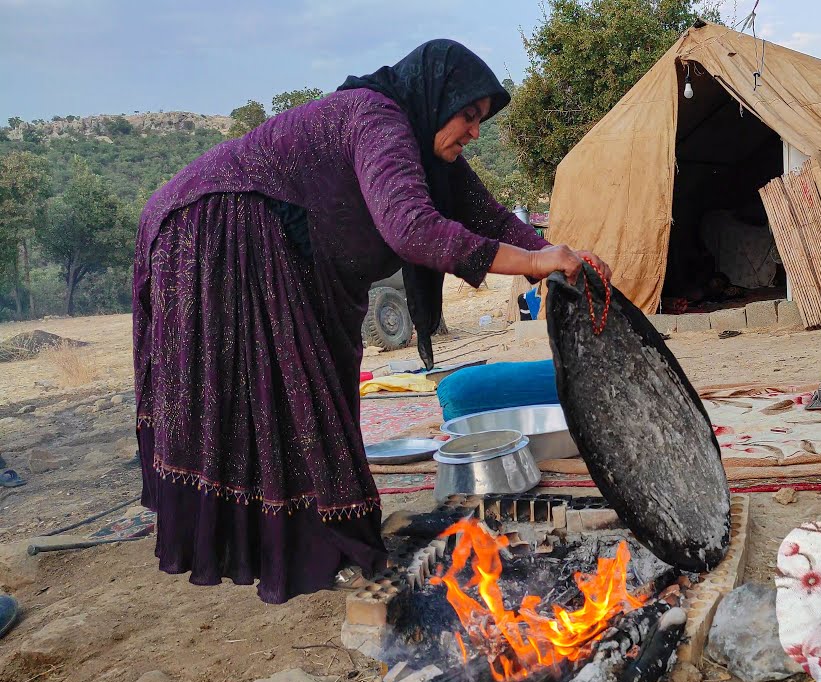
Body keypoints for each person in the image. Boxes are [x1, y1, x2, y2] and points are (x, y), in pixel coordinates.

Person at [133, 40, 611, 603]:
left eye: (481, 121)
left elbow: (486, 215)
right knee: (271, 396)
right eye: (468, 116)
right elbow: (411, 228)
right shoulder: (378, 118)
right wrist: (532, 264)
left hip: (281, 246)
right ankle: (272, 543)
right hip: (218, 229)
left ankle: (301, 537)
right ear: (436, 99)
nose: (475, 133)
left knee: (317, 393)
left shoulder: (432, 153)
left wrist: (557, 255)